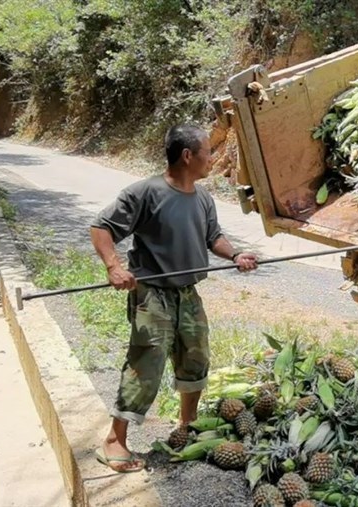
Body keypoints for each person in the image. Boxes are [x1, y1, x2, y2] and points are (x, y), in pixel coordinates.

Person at [89, 124, 258, 473]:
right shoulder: (145, 193)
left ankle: (187, 425)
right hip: (152, 294)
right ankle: (114, 441)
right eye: (208, 152)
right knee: (146, 363)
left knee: (195, 356)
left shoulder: (203, 198)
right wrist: (113, 266)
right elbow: (101, 227)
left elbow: (214, 237)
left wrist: (235, 255)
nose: (212, 159)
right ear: (187, 156)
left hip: (187, 293)